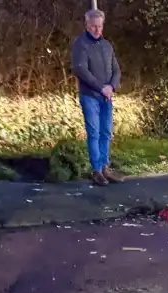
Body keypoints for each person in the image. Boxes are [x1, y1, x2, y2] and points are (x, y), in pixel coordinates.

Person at [70, 9, 123, 186]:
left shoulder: (107, 46)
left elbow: (116, 70)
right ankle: (97, 170)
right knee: (94, 132)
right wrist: (101, 87)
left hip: (106, 96)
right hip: (90, 96)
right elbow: (81, 70)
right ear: (87, 25)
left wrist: (111, 86)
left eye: (99, 26)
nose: (97, 30)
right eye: (93, 26)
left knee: (106, 132)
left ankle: (105, 167)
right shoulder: (81, 44)